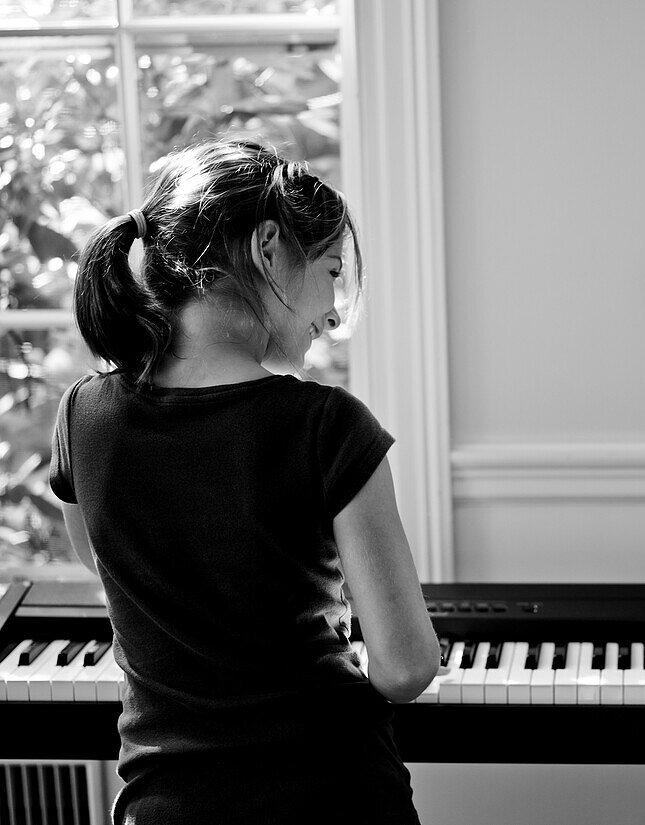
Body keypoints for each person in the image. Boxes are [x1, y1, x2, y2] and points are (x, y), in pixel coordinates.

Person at [49, 139, 440, 824]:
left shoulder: (82, 414)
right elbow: (405, 669)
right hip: (332, 798)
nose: (337, 310)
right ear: (267, 248)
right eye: (331, 271)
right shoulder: (327, 424)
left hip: (166, 803)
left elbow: (99, 560)